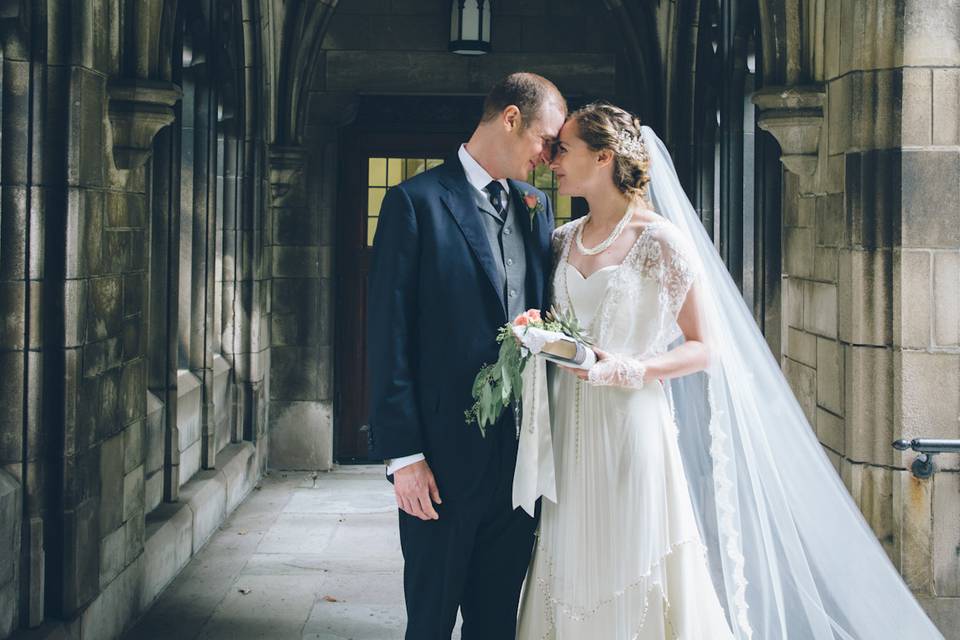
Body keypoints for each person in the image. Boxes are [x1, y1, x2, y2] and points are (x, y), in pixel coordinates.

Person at [516, 102, 944, 639]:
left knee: (631, 554)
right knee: (570, 554)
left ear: (603, 158)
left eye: (564, 149)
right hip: (569, 428)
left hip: (630, 426)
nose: (552, 159)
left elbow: (704, 347)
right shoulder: (561, 239)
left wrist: (632, 368)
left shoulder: (661, 242)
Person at [366, 72, 566, 639]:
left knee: (497, 622)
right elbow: (388, 335)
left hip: (519, 461)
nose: (550, 156)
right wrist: (404, 456)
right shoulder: (414, 203)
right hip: (440, 466)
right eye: (546, 140)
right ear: (510, 118)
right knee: (429, 622)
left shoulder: (536, 207)